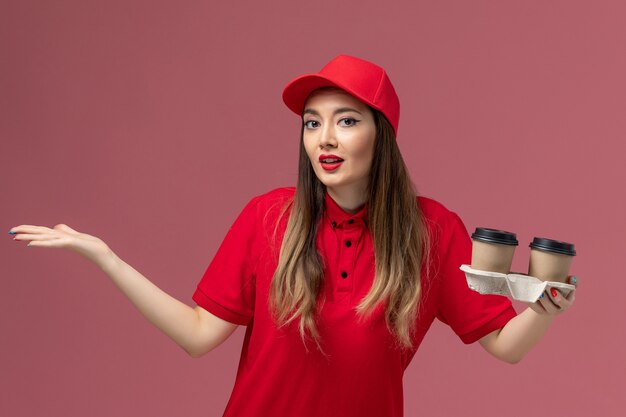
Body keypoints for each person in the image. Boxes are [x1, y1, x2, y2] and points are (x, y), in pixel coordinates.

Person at [9, 54, 577, 417]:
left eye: (346, 120)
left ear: (382, 135)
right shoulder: (267, 219)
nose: (324, 137)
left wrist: (545, 310)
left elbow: (504, 346)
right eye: (312, 121)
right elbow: (199, 334)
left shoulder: (431, 232)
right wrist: (107, 258)